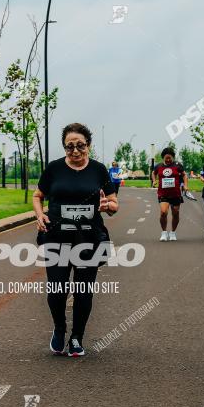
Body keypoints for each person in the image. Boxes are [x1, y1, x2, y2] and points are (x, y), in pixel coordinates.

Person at [33, 123, 118, 357]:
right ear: (64, 147)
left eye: (80, 145)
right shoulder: (54, 169)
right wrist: (40, 215)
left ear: (88, 145)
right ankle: (60, 329)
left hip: (88, 238)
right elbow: (38, 196)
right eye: (69, 147)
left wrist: (107, 206)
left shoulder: (99, 170)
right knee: (56, 290)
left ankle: (77, 337)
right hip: (57, 237)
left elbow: (113, 204)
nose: (75, 151)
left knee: (83, 291)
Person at [151, 148, 187, 241]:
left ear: (173, 157)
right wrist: (154, 181)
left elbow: (184, 175)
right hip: (163, 193)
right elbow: (153, 173)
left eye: (170, 158)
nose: (168, 160)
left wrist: (185, 185)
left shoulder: (177, 165)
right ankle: (164, 233)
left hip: (175, 194)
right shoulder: (159, 166)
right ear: (163, 158)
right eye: (166, 158)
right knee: (163, 212)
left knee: (175, 213)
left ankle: (173, 233)